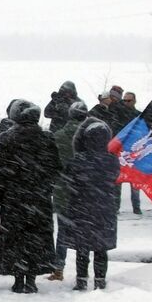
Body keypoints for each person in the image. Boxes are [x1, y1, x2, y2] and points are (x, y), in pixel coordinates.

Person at [0, 100, 61, 293]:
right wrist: (44, 185)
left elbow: (0, 170)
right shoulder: (47, 139)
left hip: (14, 197)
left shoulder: (7, 138)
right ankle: (31, 278)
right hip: (39, 198)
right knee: (36, 238)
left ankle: (18, 278)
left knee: (16, 237)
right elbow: (56, 168)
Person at [59, 117, 120, 290]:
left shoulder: (77, 160)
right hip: (104, 209)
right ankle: (100, 280)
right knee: (101, 249)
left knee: (82, 248)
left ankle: (81, 280)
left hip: (82, 208)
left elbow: (68, 182)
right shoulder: (112, 161)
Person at [52, 102, 89, 276]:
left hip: (63, 189)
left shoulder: (58, 136)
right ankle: (82, 273)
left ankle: (58, 268)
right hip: (86, 190)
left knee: (63, 231)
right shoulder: (91, 136)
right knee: (85, 231)